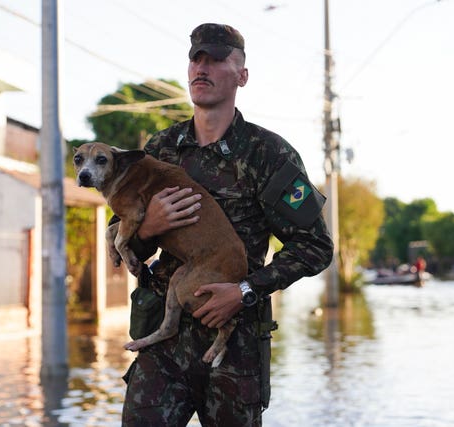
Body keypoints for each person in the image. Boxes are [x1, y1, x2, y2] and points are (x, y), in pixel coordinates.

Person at [119, 23, 333, 426]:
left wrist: (246, 291)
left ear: (242, 75)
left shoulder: (269, 154)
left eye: (216, 59)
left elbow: (316, 247)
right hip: (162, 344)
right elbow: (120, 244)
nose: (202, 67)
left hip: (234, 346)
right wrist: (148, 227)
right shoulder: (159, 150)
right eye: (196, 58)